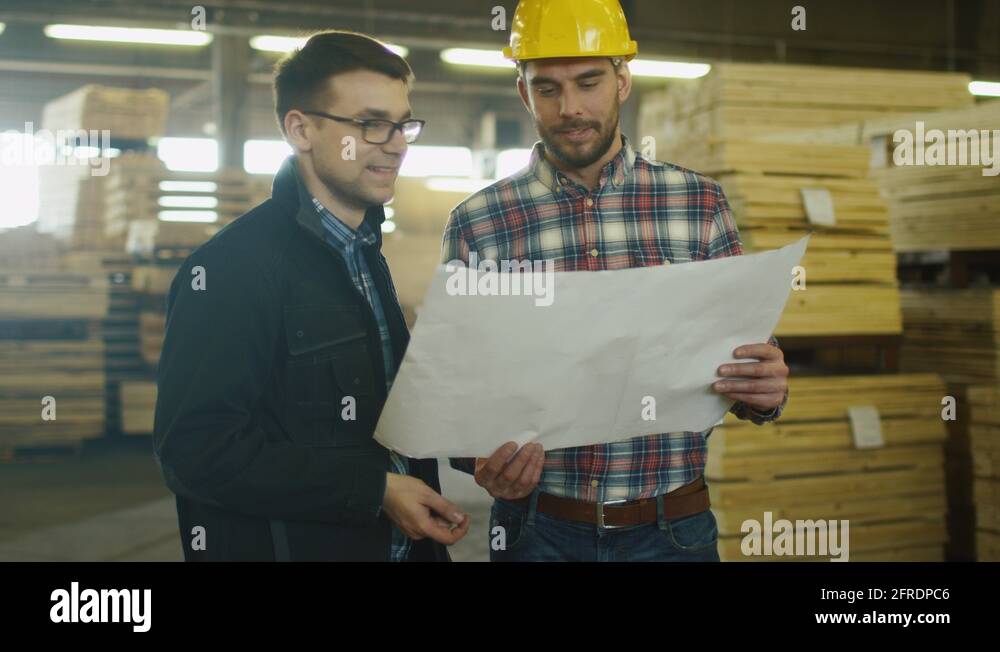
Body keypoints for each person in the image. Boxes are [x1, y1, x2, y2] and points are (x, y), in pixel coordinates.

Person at [441, 0, 789, 562]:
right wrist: (475, 461)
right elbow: (455, 383)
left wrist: (766, 387)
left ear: (622, 79)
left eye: (588, 82)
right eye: (547, 88)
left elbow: (742, 349)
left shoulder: (698, 203)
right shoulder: (480, 222)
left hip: (671, 531)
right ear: (523, 92)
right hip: (537, 532)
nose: (570, 108)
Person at [154, 30, 469, 561]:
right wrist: (376, 492)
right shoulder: (231, 270)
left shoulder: (365, 253)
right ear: (299, 128)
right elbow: (197, 452)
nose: (396, 143)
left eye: (403, 124)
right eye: (371, 124)